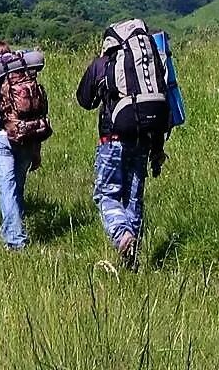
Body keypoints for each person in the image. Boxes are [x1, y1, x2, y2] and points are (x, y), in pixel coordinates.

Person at [76, 18, 169, 270]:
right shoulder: (152, 64)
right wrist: (158, 149)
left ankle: (122, 235)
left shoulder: (104, 63)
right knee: (133, 198)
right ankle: (132, 262)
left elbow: (84, 100)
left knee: (106, 195)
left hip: (112, 140)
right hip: (145, 141)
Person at [0, 40, 46, 251]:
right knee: (17, 188)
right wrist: (36, 150)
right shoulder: (25, 73)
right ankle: (13, 229)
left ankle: (15, 240)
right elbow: (37, 112)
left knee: (6, 189)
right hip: (27, 135)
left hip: (2, 136)